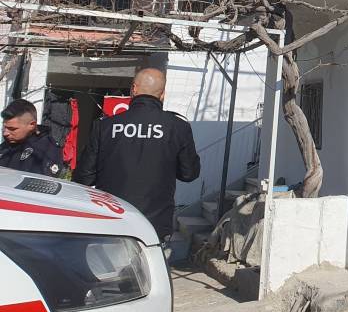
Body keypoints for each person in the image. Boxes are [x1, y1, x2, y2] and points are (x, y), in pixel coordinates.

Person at [74, 68, 201, 240]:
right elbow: (189, 174)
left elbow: (83, 177)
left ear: (133, 89)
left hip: (112, 219)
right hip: (154, 224)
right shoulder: (178, 127)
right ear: (162, 94)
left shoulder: (105, 126)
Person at [0, 99, 64, 177]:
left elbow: (40, 185)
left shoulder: (47, 150)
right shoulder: (7, 145)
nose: (5, 133)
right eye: (4, 127)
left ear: (32, 125)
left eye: (12, 129)